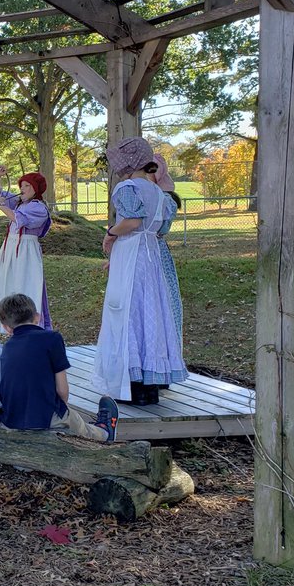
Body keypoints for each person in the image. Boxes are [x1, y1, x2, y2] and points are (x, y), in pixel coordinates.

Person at [92, 137, 188, 406]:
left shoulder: (127, 188)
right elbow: (161, 229)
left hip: (132, 253)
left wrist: (110, 233)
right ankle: (149, 384)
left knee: (127, 312)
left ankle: (129, 382)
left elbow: (131, 221)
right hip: (152, 257)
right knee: (151, 313)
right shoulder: (161, 195)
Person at [0, 294, 118, 441]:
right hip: (46, 417)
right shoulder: (52, 338)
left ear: (6, 327)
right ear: (37, 317)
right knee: (77, 423)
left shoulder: (7, 347)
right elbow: (62, 390)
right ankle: (105, 433)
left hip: (12, 419)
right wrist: (63, 410)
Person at [0, 166, 52, 333]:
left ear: (36, 189)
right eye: (21, 186)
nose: (22, 189)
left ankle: (31, 326)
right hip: (11, 248)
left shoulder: (38, 207)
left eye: (27, 186)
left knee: (27, 283)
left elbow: (18, 218)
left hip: (26, 250)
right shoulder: (18, 203)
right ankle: (10, 326)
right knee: (9, 283)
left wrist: (2, 207)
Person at [152, 153, 183, 349]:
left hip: (156, 252)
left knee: (164, 298)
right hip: (141, 250)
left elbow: (160, 229)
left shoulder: (165, 200)